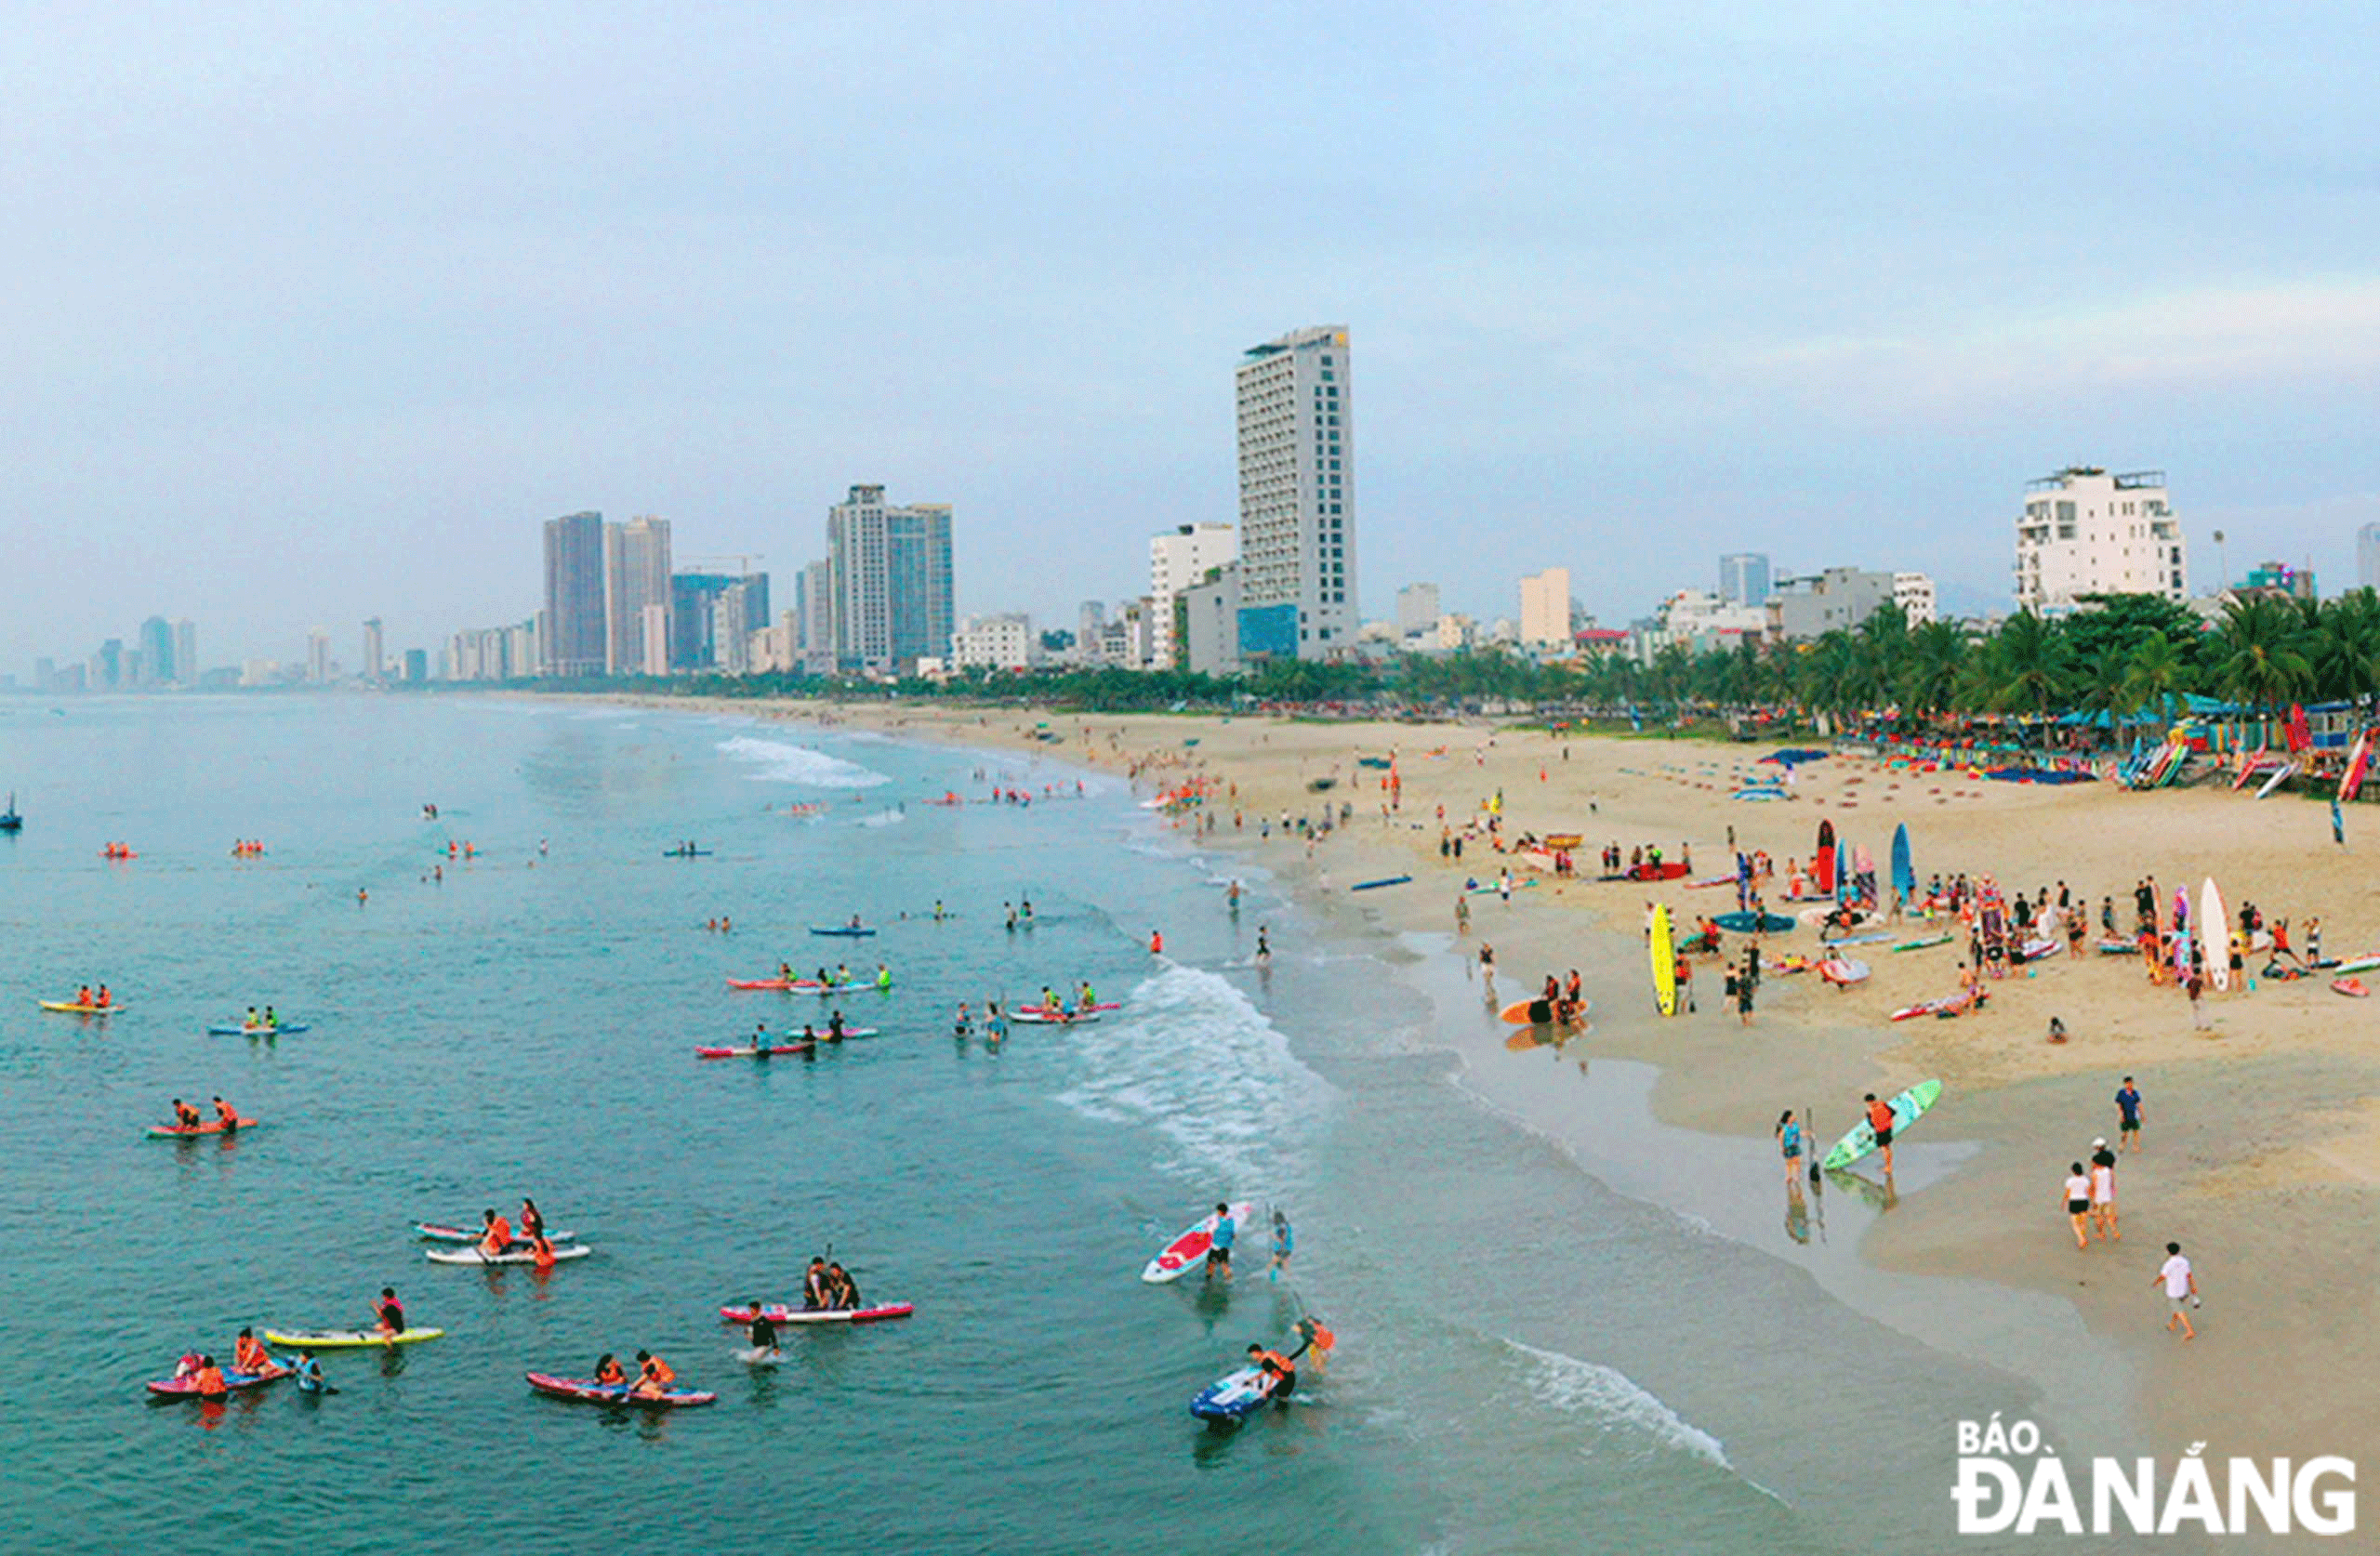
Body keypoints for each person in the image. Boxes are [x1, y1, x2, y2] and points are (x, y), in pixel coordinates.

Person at [2154, 1242, 2199, 1339]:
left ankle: (2190, 1331)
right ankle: (2172, 1324)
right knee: (2178, 1307)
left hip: (2173, 1292)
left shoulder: (2168, 1264)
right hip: (2183, 1290)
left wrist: (2156, 1283)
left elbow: (2163, 1276)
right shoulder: (2184, 1261)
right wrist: (2193, 1286)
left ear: (2168, 1252)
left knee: (2179, 1310)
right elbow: (2189, 1275)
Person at [2089, 1138, 2120, 1242]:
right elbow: (2113, 1168)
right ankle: (2115, 1232)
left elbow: (2093, 1186)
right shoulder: (2110, 1158)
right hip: (2107, 1191)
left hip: (2098, 1197)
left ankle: (2101, 1233)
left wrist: (2091, 1198)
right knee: (2109, 1214)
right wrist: (2113, 1186)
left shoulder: (2095, 1169)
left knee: (2099, 1216)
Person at [2060, 1162, 2094, 1251]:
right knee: (2083, 1222)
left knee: (2075, 1223)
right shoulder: (2086, 1180)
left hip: (2074, 1202)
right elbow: (2089, 1191)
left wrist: (2063, 1203)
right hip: (2084, 1201)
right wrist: (2093, 1202)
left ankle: (2081, 1239)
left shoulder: (2070, 1181)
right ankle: (2083, 1237)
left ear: (2073, 1171)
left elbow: (2067, 1193)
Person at [1864, 1092, 1897, 1173]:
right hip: (1888, 1128)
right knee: (1887, 1148)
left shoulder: (1869, 1111)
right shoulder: (1883, 1104)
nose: (1869, 1104)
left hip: (1881, 1131)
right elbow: (1893, 1112)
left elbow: (1871, 1124)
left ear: (1868, 1102)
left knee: (1885, 1148)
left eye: (1868, 1102)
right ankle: (1888, 1166)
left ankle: (1888, 1167)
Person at [1206, 1203, 1236, 1283]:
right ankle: (1230, 1280)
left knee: (1211, 1263)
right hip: (1226, 1246)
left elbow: (1208, 1233)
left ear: (1220, 1211)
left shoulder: (1216, 1221)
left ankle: (1208, 1280)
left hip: (1216, 1246)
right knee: (1224, 1264)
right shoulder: (1231, 1221)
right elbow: (1233, 1235)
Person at [2116, 1076, 2144, 1152]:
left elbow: (2139, 1104)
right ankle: (2122, 1145)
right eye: (2127, 1083)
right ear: (2125, 1084)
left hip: (2134, 1115)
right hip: (2125, 1115)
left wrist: (2142, 1115)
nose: (2129, 1085)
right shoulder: (2121, 1093)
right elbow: (2119, 1104)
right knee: (2125, 1132)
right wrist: (2121, 1115)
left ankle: (2135, 1146)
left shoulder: (2135, 1093)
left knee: (2136, 1131)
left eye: (2130, 1083)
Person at [1776, 1110, 1804, 1183]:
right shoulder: (1784, 1127)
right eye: (1792, 1116)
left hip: (1795, 1145)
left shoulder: (1795, 1125)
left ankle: (1797, 1176)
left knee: (1797, 1161)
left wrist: (1806, 1134)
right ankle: (1789, 1176)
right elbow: (1781, 1137)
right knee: (1789, 1162)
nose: (1794, 1117)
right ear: (1788, 1118)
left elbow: (1798, 1133)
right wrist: (1782, 1147)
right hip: (1788, 1146)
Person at [1267, 1209, 1293, 1280]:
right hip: (1288, 1248)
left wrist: (1272, 1235)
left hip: (1281, 1249)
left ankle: (1272, 1281)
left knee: (1270, 1265)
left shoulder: (1281, 1228)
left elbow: (1281, 1240)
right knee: (1286, 1267)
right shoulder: (1288, 1225)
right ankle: (1289, 1277)